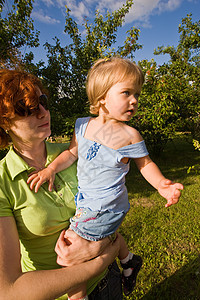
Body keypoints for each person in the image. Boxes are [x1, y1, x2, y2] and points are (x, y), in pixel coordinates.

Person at [28, 57, 184, 299]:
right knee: (97, 239)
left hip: (105, 207)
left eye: (137, 95)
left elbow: (145, 164)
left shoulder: (130, 135)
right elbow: (71, 154)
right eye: (126, 93)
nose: (134, 100)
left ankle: (78, 297)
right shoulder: (82, 127)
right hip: (88, 203)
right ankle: (129, 261)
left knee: (70, 253)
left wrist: (162, 185)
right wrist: (51, 169)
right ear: (102, 97)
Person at [0, 68, 123, 300]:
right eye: (27, 108)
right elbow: (8, 290)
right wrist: (105, 255)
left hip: (108, 281)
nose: (43, 113)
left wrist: (102, 244)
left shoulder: (74, 152)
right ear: (5, 122)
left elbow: (113, 200)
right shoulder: (2, 182)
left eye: (43, 102)